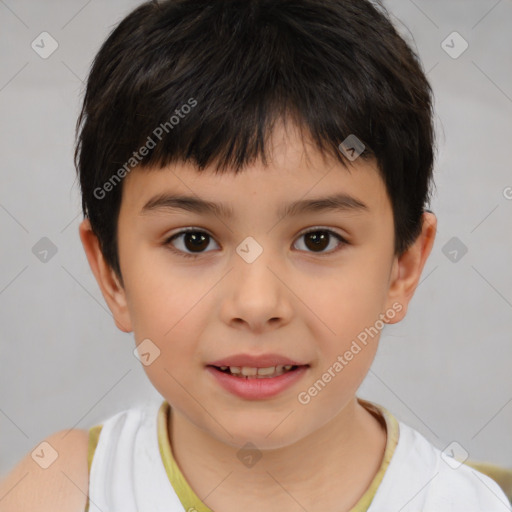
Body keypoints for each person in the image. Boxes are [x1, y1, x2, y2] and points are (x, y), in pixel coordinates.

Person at [1, 1, 510, 511]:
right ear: (112, 275)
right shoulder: (65, 490)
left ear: (404, 267)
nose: (256, 302)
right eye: (193, 240)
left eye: (318, 239)